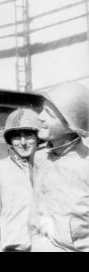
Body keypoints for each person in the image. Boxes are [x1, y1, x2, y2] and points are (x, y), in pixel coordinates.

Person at [29, 82, 89, 252]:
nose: (40, 117)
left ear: (70, 126)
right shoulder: (40, 157)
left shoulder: (85, 163)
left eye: (49, 114)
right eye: (42, 110)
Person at [0, 108, 41, 252]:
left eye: (28, 135)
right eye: (16, 136)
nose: (23, 142)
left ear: (38, 137)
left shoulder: (50, 167)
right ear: (10, 140)